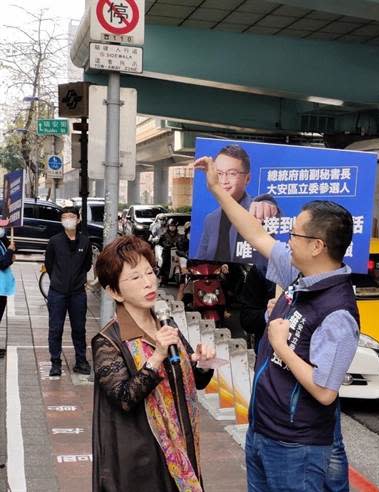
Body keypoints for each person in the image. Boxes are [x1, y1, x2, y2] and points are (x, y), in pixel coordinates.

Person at [195, 158, 360, 491]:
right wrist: (215, 189)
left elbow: (325, 391)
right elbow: (255, 232)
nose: (287, 238)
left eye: (295, 233)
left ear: (317, 246)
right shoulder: (301, 275)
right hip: (264, 431)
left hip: (296, 447)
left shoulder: (337, 312)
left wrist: (281, 345)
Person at [91, 235, 216, 492]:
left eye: (149, 272)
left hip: (180, 445)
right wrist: (156, 356)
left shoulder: (165, 323)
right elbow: (124, 398)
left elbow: (193, 378)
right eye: (135, 278)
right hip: (140, 459)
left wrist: (202, 362)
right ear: (114, 291)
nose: (148, 282)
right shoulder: (108, 340)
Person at [195, 144, 278, 262]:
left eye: (232, 173)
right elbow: (201, 259)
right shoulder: (211, 219)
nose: (224, 181)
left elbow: (267, 205)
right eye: (219, 173)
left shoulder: (256, 207)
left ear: (247, 178)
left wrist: (267, 207)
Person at [45, 206, 93, 377]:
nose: (68, 220)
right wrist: (58, 280)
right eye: (65, 217)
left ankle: (81, 361)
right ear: (61, 221)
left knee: (79, 328)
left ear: (78, 219)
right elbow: (49, 265)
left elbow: (87, 265)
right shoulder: (54, 241)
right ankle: (55, 362)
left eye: (71, 216)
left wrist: (77, 281)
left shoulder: (85, 241)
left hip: (78, 293)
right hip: (57, 292)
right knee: (55, 328)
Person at [0, 218, 16, 358]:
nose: (2, 229)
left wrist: (10, 250)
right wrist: (10, 252)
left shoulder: (1, 241)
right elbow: (3, 263)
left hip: (2, 288)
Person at [158, 218, 181, 284]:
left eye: (174, 226)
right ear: (168, 226)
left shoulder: (179, 236)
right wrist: (166, 244)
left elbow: (182, 243)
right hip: (167, 252)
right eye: (171, 226)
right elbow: (160, 242)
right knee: (165, 262)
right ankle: (161, 274)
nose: (172, 227)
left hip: (176, 253)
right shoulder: (164, 235)